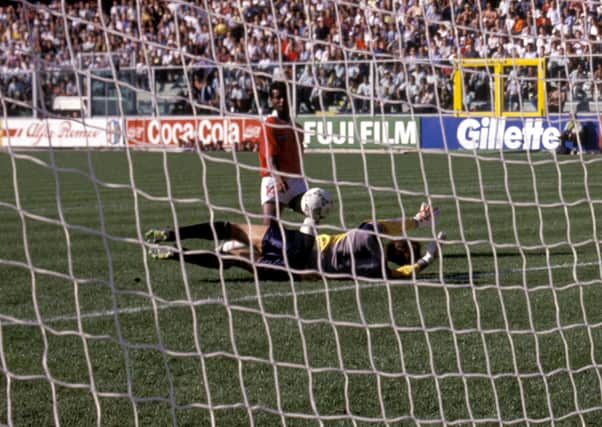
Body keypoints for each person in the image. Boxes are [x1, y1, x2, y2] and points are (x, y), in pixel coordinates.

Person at [144, 203, 445, 281]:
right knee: (233, 261)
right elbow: (406, 274)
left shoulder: (370, 232)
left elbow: (394, 225)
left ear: (398, 242)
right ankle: (174, 254)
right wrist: (429, 257)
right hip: (299, 274)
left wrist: (418, 221)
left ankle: (172, 235)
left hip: (302, 244)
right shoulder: (379, 269)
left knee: (230, 228)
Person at [259, 80, 307, 225]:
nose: (282, 101)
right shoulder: (270, 124)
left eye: (285, 96)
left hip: (296, 181)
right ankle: (235, 245)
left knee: (314, 211)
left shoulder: (297, 128)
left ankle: (304, 244)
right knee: (268, 230)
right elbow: (270, 157)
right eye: (278, 97)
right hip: (275, 180)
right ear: (271, 100)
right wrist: (278, 178)